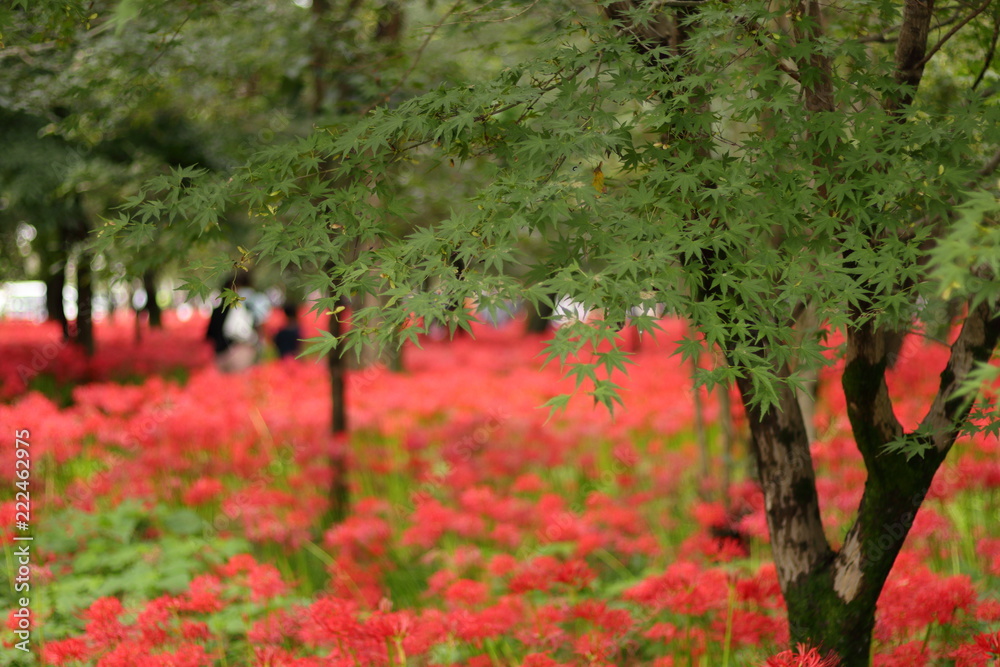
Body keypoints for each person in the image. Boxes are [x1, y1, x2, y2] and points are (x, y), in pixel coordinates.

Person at [205, 271, 271, 372]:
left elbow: (209, 334)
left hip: (220, 352)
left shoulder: (218, 310)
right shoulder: (249, 303)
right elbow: (258, 324)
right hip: (242, 349)